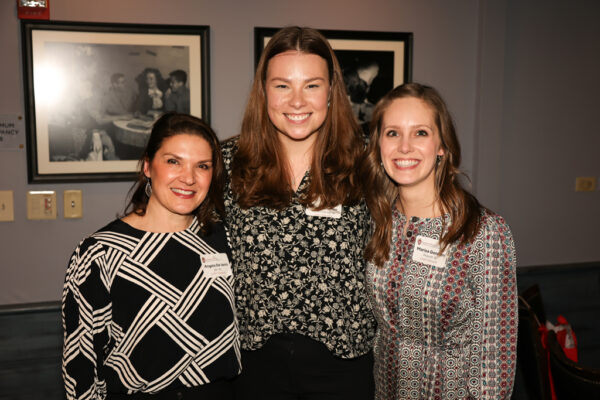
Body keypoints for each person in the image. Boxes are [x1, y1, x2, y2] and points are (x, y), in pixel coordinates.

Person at [221, 26, 376, 400]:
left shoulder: (366, 163)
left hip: (342, 367)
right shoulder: (230, 163)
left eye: (311, 85)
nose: (296, 101)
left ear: (331, 91)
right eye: (282, 85)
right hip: (255, 365)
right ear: (263, 91)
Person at [62, 112, 241, 399]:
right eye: (173, 161)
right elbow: (80, 366)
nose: (189, 178)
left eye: (202, 166)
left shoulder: (223, 239)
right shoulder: (101, 253)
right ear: (147, 165)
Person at [362, 83, 517, 399]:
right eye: (392, 133)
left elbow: (494, 360)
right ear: (378, 144)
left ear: (442, 146)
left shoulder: (482, 232)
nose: (405, 146)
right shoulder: (378, 221)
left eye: (420, 133)